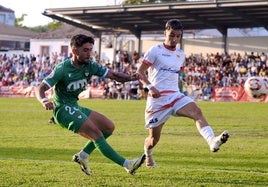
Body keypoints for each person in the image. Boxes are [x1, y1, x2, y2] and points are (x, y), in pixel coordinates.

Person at [35, 34, 145, 175]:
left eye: (91, 50)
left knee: (108, 127)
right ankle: (128, 164)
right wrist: (44, 100)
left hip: (74, 106)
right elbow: (41, 88)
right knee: (96, 134)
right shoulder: (62, 68)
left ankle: (83, 155)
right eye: (85, 50)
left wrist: (131, 78)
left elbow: (114, 75)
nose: (89, 53)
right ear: (75, 51)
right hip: (62, 109)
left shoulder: (91, 65)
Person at [137, 19, 229, 168]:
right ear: (164, 33)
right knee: (153, 139)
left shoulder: (180, 54)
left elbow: (175, 75)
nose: (174, 39)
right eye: (171, 35)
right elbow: (139, 72)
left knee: (197, 112)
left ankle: (212, 141)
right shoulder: (155, 51)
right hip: (157, 100)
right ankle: (148, 155)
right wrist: (150, 87)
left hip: (175, 96)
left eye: (178, 36)